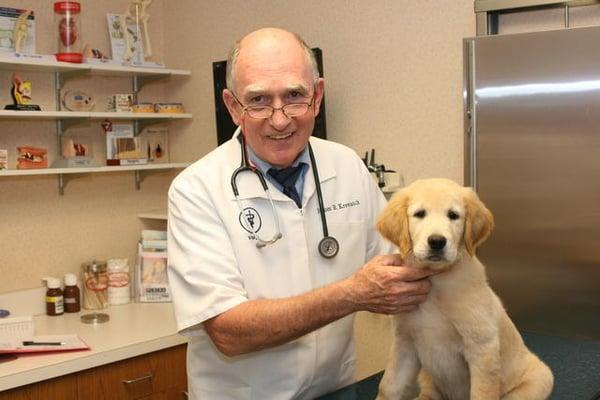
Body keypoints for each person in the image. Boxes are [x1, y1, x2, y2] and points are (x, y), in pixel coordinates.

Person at [167, 27, 434, 400]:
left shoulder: (346, 166)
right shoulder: (196, 189)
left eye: (294, 96)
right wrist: (352, 294)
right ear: (231, 106)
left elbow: (399, 266)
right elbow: (227, 332)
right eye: (258, 100)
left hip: (334, 389)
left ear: (318, 96)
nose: (279, 120)